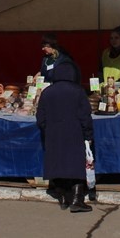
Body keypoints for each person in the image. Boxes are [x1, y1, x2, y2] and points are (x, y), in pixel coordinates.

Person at [36, 61, 94, 213]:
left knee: (57, 164)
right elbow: (85, 116)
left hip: (53, 135)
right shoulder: (78, 91)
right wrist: (88, 135)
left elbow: (40, 118)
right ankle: (77, 200)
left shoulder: (47, 92)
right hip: (75, 134)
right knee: (76, 165)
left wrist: (48, 130)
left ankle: (62, 197)